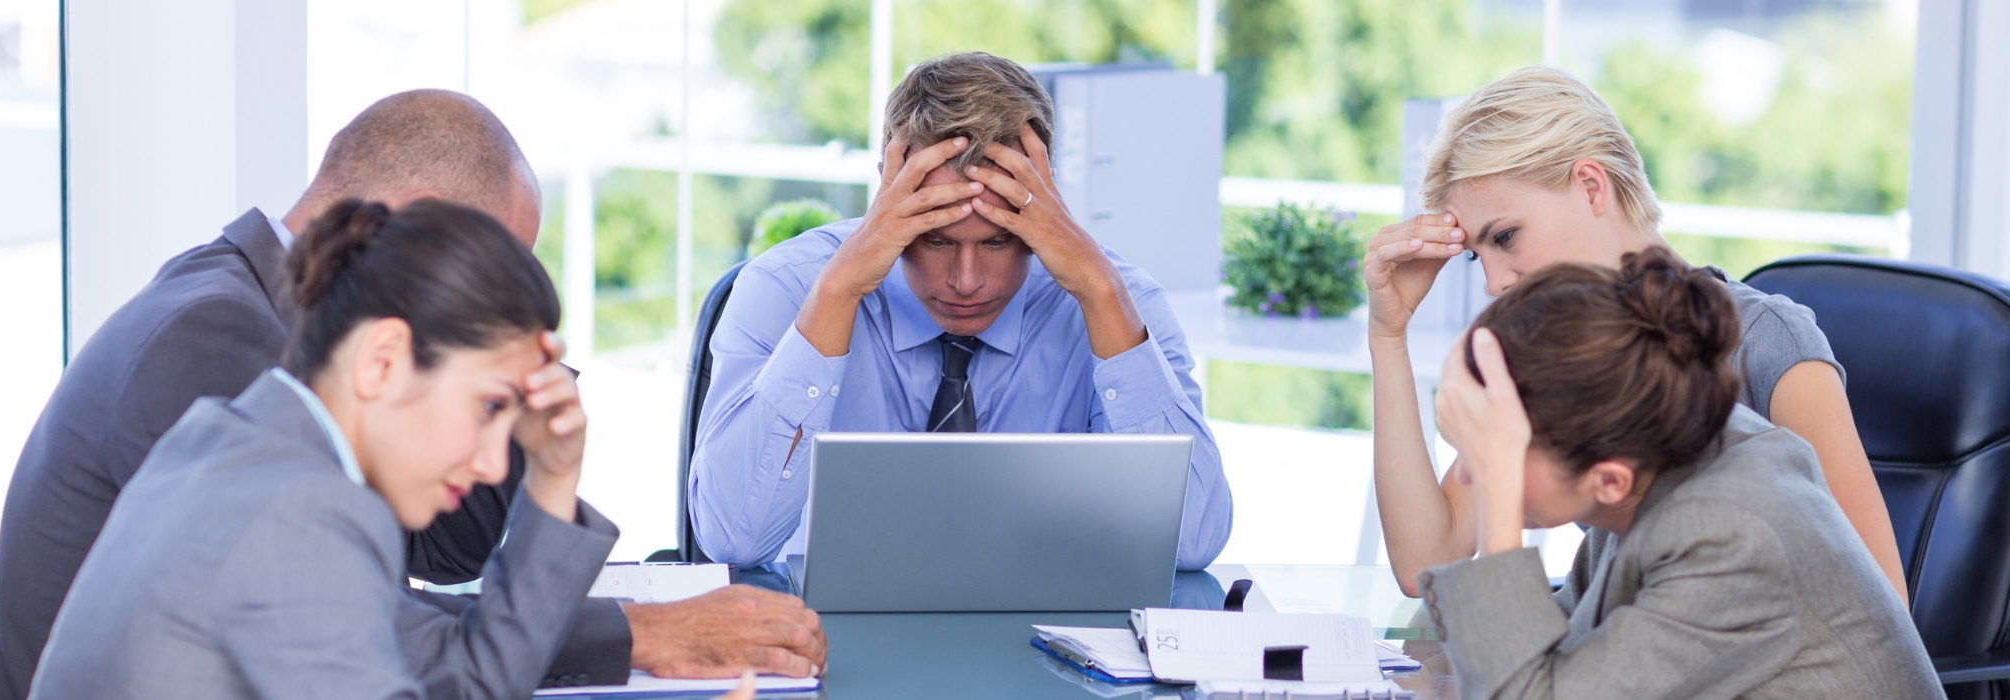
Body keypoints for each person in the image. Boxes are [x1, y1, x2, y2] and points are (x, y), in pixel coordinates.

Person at [0, 90, 823, 700]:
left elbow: (453, 643)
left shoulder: (262, 431)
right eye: (491, 404)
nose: (498, 453)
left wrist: (549, 478)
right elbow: (410, 645)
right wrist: (649, 634)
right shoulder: (229, 379)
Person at [1364, 65, 1908, 601]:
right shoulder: (1562, 353)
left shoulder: (1768, 343)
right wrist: (1389, 334)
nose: (1493, 282)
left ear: (1591, 186)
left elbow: (1883, 608)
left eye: (1505, 236)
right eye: (1474, 257)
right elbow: (1426, 565)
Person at [31, 199, 605, 698]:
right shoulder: (299, 510)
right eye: (487, 407)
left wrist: (551, 478)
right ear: (382, 361)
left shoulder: (235, 445)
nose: (493, 464)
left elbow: (467, 679)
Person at [689, 51, 1233, 569]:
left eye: (998, 242)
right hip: (828, 638)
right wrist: (839, 293)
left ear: (1045, 198)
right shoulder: (784, 289)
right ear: (887, 189)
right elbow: (732, 539)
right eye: (936, 240)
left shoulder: (1119, 300)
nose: (966, 282)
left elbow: (1192, 544)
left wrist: (1099, 293)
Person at [1417, 248, 1940, 699]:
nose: (1467, 476)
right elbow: (1559, 649)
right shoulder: (1652, 447)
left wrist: (1499, 492)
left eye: (1491, 457)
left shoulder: (1731, 539)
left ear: (1610, 480)